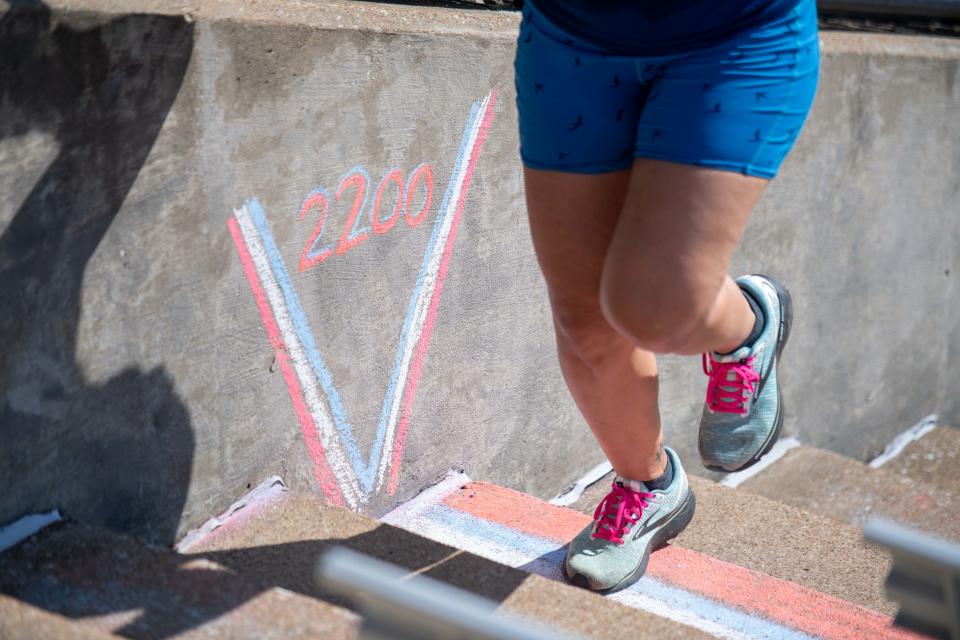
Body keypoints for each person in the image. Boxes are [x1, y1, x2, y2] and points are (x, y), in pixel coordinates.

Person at [514, 0, 819, 592]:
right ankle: (647, 487)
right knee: (583, 319)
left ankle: (748, 324)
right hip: (569, 37)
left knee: (657, 305)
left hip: (732, 40)